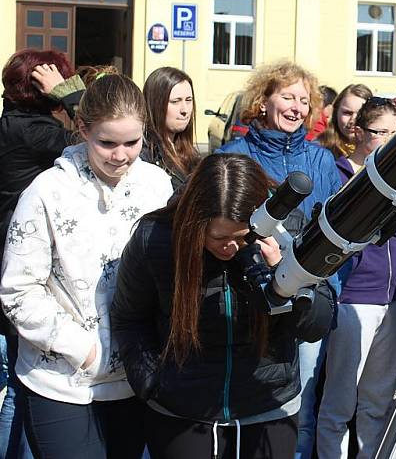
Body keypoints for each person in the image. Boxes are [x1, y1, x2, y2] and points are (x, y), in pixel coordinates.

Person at [111, 153, 336, 459]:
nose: (230, 247)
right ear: (195, 223)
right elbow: (129, 318)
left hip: (269, 406)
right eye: (218, 237)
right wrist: (151, 384)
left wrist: (289, 278)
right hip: (183, 411)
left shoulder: (287, 228)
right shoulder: (157, 238)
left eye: (242, 238)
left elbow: (317, 325)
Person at [0, 73, 173, 458]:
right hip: (61, 381)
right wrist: (83, 349)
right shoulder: (46, 191)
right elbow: (17, 290)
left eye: (133, 142)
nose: (121, 155)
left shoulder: (158, 185)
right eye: (107, 142)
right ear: (81, 128)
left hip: (133, 378)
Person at [216, 60, 341, 459]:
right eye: (287, 97)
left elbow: (339, 232)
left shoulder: (322, 161)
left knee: (297, 410)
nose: (297, 107)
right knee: (238, 406)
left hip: (304, 301)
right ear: (263, 101)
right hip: (248, 300)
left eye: (304, 101)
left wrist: (326, 286)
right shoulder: (234, 154)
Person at [0, 49, 91, 459]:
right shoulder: (36, 134)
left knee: (15, 386)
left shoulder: (10, 125)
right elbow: (97, 132)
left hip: (11, 267)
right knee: (22, 390)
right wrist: (70, 93)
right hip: (23, 275)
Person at [316, 98, 396, 459]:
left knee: (377, 400)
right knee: (339, 401)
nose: (388, 141)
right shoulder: (339, 175)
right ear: (358, 132)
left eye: (394, 133)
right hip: (353, 298)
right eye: (379, 132)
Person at [141, 67, 200, 189]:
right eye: (175, 101)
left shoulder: (188, 152)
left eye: (188, 100)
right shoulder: (144, 154)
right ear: (156, 104)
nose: (185, 110)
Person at [316, 84, 372, 158]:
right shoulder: (318, 150)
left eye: (360, 114)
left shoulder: (377, 151)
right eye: (347, 113)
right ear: (336, 113)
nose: (353, 120)